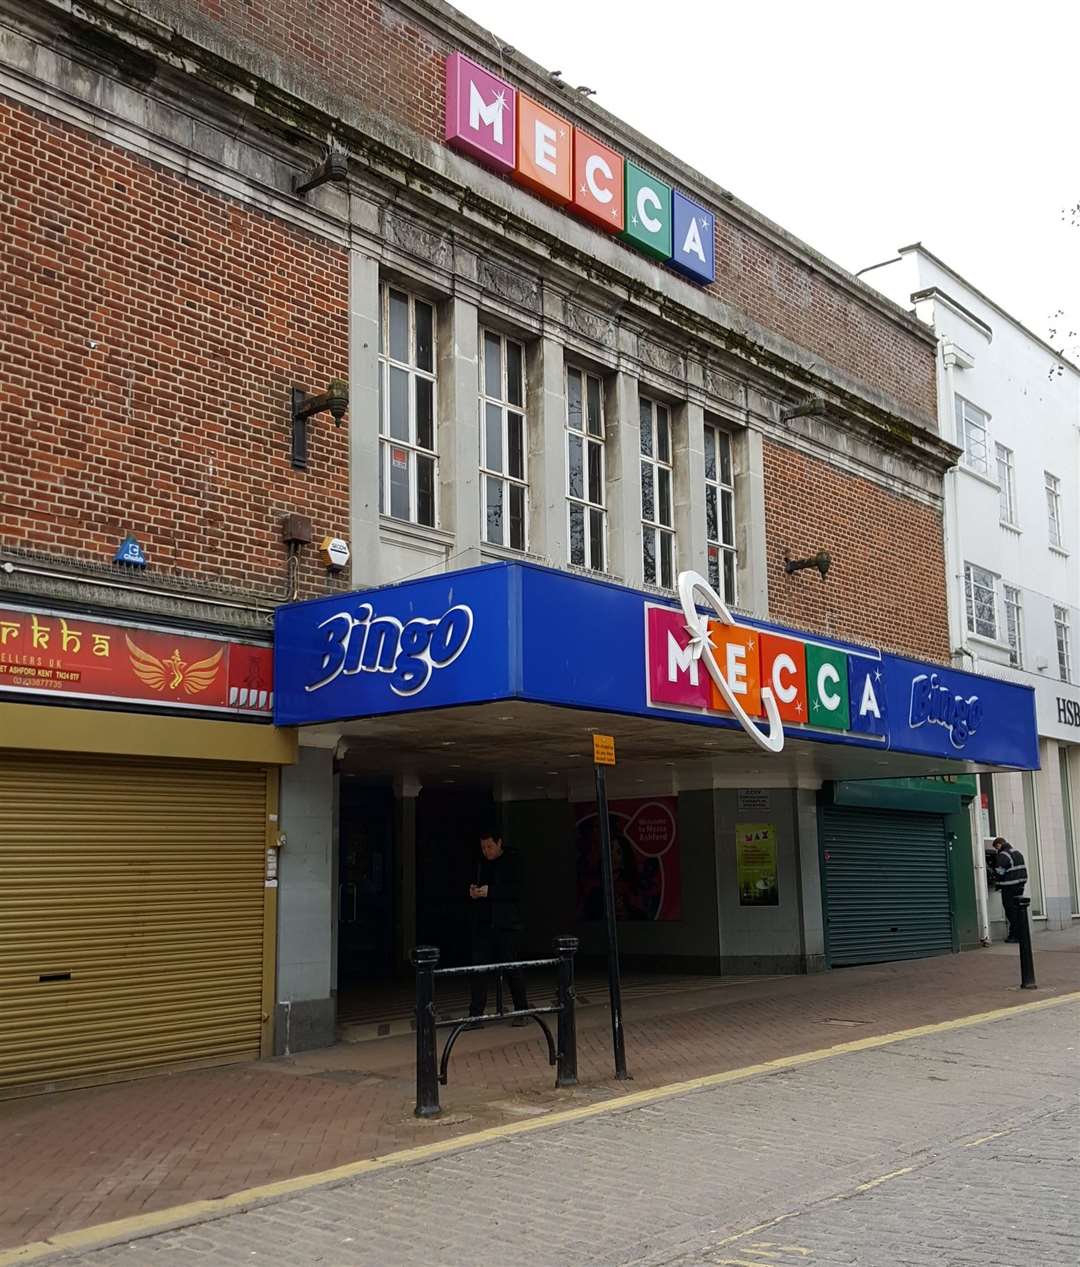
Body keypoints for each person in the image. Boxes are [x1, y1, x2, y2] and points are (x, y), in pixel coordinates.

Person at [467, 830, 529, 1025]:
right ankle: (475, 1015)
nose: (486, 851)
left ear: (499, 843)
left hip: (507, 924)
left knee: (511, 967)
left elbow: (517, 890)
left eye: (490, 846)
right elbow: (476, 883)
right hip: (484, 923)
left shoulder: (513, 860)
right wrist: (474, 892)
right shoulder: (480, 863)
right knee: (479, 968)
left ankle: (522, 1011)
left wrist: (491, 891)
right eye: (483, 847)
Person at [991, 836, 1029, 943]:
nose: (997, 850)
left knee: (1010, 911)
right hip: (1020, 886)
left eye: (996, 848)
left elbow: (999, 872)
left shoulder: (1003, 855)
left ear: (999, 845)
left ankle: (1015, 935)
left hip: (1009, 887)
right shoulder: (1018, 853)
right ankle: (1021, 934)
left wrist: (992, 876)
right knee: (1018, 911)